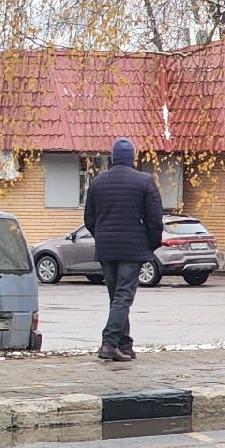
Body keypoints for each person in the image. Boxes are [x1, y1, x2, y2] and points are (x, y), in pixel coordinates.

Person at [83, 137, 163, 362]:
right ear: (132, 158)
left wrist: (102, 236)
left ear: (113, 157)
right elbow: (155, 219)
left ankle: (124, 345)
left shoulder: (97, 183)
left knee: (117, 297)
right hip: (132, 248)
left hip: (106, 249)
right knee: (124, 296)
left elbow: (89, 218)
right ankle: (109, 343)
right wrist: (151, 243)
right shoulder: (144, 181)